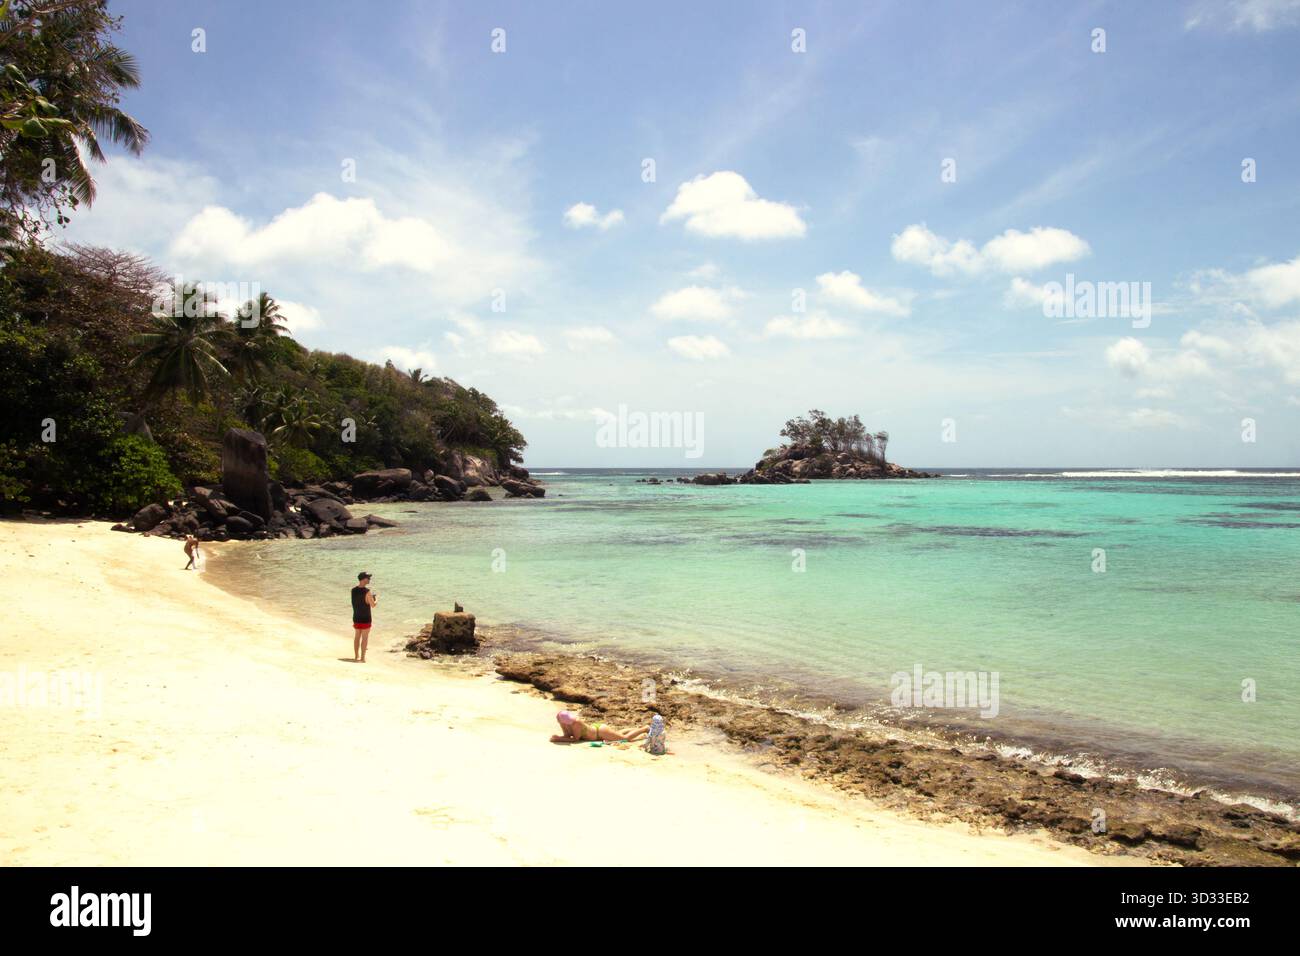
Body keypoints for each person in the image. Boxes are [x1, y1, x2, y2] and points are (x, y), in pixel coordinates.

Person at [550, 710, 649, 744]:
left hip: (600, 732)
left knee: (625, 739)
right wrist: (561, 737)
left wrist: (558, 739)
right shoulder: (566, 722)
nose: (557, 720)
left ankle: (645, 728)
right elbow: (567, 735)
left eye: (558, 719)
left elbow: (575, 739)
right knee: (619, 733)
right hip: (598, 730)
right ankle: (639, 731)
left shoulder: (576, 723)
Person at [351, 572, 377, 662]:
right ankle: (362, 658)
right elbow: (373, 605)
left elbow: (356, 602)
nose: (369, 580)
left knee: (357, 637)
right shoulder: (367, 591)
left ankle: (356, 656)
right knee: (365, 638)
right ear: (363, 579)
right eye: (368, 578)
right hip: (366, 618)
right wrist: (376, 599)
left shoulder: (353, 590)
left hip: (356, 617)